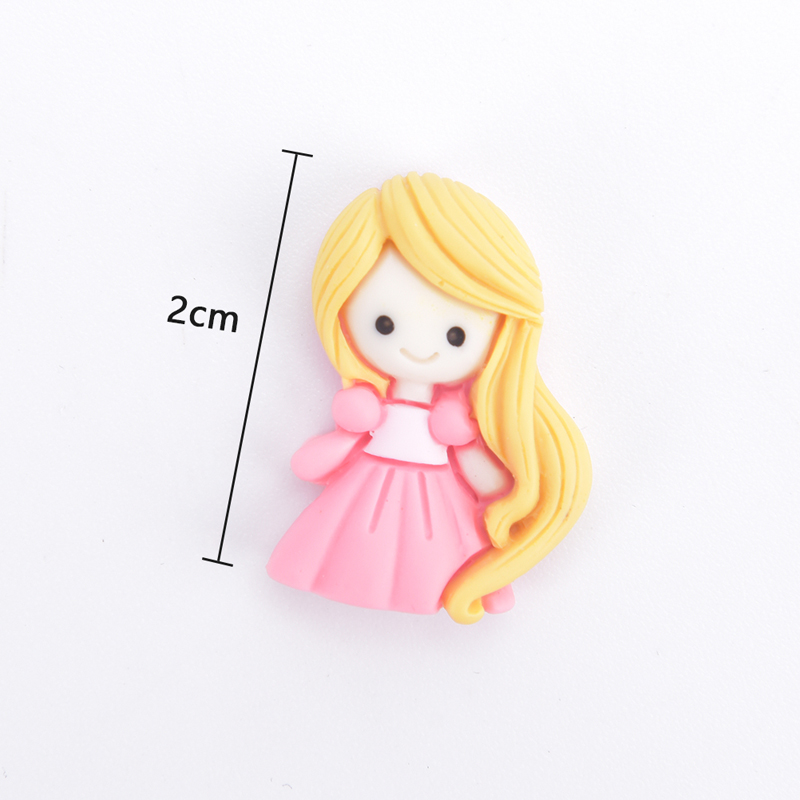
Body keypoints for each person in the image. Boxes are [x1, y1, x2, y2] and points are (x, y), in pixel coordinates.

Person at [267, 173, 591, 624]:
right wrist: (348, 433)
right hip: (370, 484)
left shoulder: (452, 418)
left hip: (435, 494)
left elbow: (487, 483)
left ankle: (479, 581)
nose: (420, 348)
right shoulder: (374, 410)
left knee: (450, 544)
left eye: (457, 335)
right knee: (360, 546)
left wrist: (492, 479)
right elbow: (307, 466)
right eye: (384, 325)